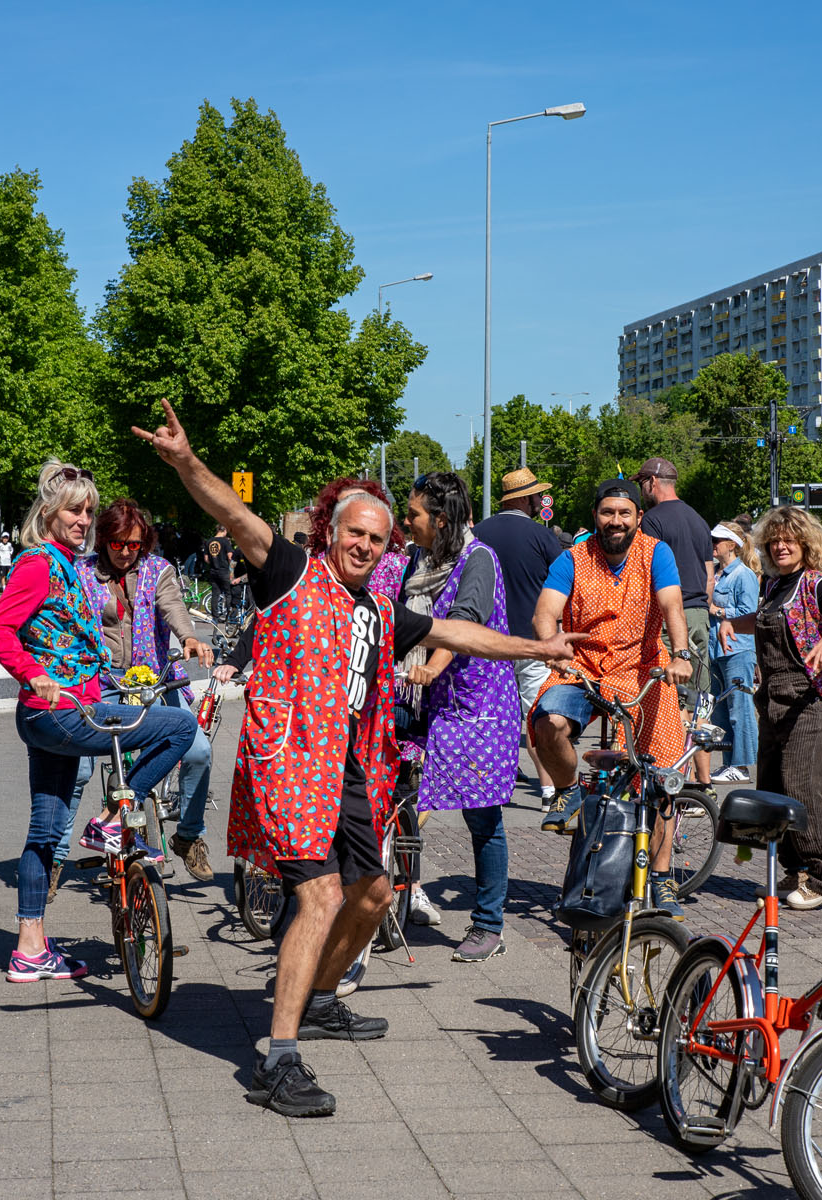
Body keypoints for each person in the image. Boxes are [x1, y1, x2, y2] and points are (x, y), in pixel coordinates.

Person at [133, 401, 583, 1119]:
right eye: (355, 534)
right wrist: (186, 462)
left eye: (378, 538)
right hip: (288, 763)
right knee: (321, 898)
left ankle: (314, 1002)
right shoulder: (289, 573)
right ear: (330, 532)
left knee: (375, 894)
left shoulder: (376, 607)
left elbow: (459, 633)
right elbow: (239, 517)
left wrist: (541, 648)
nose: (367, 547)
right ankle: (276, 1062)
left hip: (345, 771)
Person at [0, 461, 195, 983]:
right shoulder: (39, 564)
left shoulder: (63, 562)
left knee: (46, 831)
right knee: (179, 729)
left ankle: (30, 949)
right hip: (64, 712)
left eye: (89, 511)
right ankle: (109, 819)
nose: (84, 520)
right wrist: (34, 675)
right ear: (50, 513)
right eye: (75, 510)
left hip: (54, 716)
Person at [530, 477, 693, 918]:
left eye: (624, 513)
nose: (615, 521)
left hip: (644, 668)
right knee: (547, 723)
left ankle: (661, 879)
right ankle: (567, 789)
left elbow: (672, 606)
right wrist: (552, 646)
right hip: (581, 665)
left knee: (659, 775)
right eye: (607, 513)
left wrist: (680, 654)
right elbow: (545, 612)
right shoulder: (573, 558)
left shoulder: (656, 553)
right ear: (595, 516)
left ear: (638, 517)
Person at [48, 499, 217, 894]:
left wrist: (189, 636)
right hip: (98, 682)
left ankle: (189, 835)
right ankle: (53, 857)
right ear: (104, 540)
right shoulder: (82, 571)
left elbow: (173, 607)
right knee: (78, 771)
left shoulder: (159, 570)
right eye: (118, 544)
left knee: (198, 752)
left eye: (135, 545)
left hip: (153, 681)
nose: (126, 552)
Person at [718, 506, 822, 911]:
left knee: (801, 788)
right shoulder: (773, 586)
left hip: (807, 701)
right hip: (771, 699)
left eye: (789, 539)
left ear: (806, 544)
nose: (781, 546)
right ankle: (793, 870)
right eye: (774, 540)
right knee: (772, 787)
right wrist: (734, 623)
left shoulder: (818, 584)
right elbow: (766, 621)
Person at [401, 472, 520, 962]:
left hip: (479, 707)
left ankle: (488, 924)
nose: (407, 523)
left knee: (481, 815)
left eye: (414, 515)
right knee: (399, 793)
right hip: (430, 700)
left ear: (441, 519)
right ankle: (400, 890)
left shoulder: (479, 559)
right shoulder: (420, 559)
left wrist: (431, 667)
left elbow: (465, 623)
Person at [472, 467, 566, 807]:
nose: (541, 500)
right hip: (533, 639)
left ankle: (489, 783)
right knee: (538, 716)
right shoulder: (542, 536)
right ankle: (547, 790)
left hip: (487, 641)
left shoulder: (479, 532)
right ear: (525, 499)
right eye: (538, 495)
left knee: (493, 715)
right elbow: (563, 583)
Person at [636, 457, 716, 789]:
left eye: (642, 483)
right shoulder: (698, 520)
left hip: (672, 617)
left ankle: (676, 782)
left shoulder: (652, 520)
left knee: (673, 699)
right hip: (699, 614)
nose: (641, 489)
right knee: (700, 698)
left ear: (653, 482)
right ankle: (704, 781)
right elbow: (710, 576)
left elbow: (645, 573)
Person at [707, 521, 760, 782]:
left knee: (740, 709)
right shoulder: (715, 574)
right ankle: (729, 763)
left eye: (717, 540)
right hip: (717, 650)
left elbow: (750, 613)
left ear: (732, 545)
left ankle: (741, 766)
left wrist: (716, 610)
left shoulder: (744, 575)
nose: (713, 544)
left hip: (738, 649)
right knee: (721, 711)